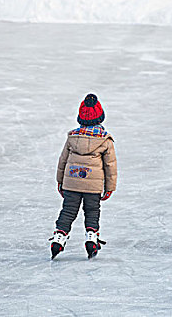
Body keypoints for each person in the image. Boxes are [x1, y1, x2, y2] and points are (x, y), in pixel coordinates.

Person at [50, 93, 117, 259]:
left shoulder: (72, 137)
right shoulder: (105, 140)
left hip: (71, 183)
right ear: (100, 118)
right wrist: (109, 187)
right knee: (92, 211)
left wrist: (60, 182)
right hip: (93, 186)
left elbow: (63, 160)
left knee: (68, 211)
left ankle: (59, 238)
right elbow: (110, 166)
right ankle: (91, 238)